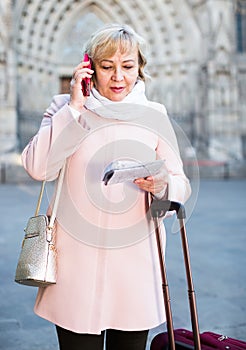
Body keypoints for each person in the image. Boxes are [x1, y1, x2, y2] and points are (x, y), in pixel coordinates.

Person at [22, 23, 191, 350]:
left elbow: (180, 184)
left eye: (127, 67)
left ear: (140, 69)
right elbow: (37, 167)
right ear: (89, 68)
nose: (118, 77)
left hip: (135, 264)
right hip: (75, 266)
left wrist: (162, 184)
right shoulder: (63, 108)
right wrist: (74, 108)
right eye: (107, 66)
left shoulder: (155, 115)